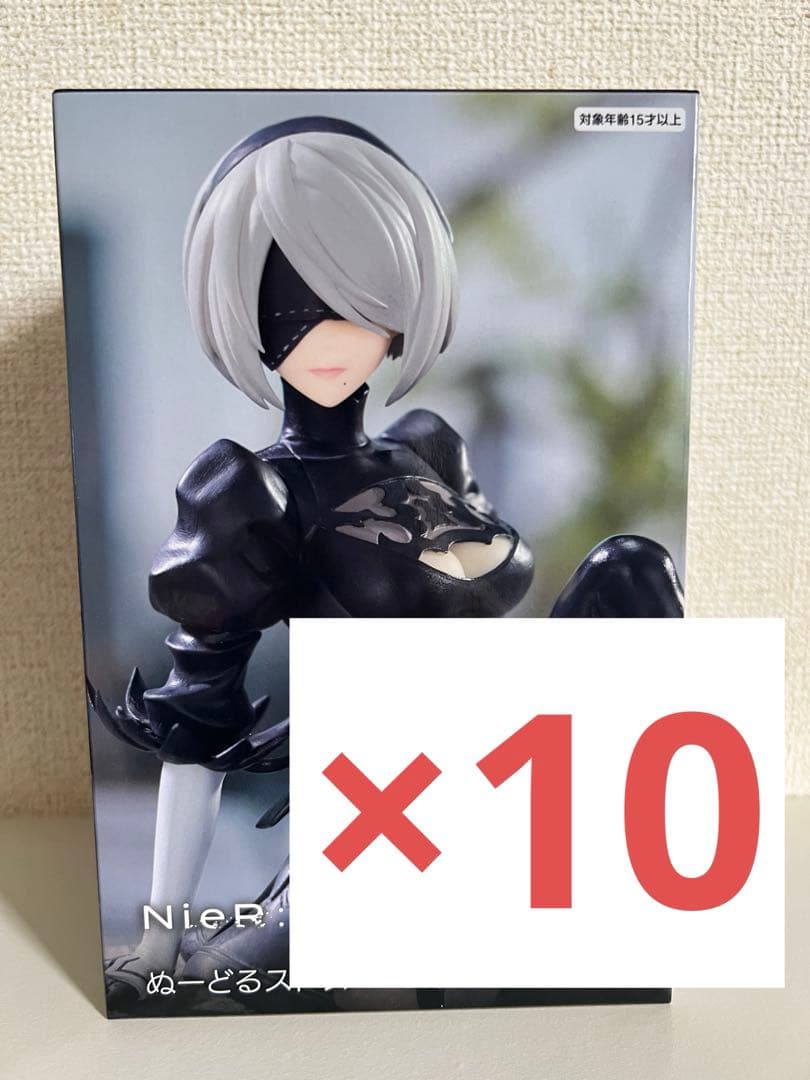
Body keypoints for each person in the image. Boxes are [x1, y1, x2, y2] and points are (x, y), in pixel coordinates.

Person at [93, 117, 682, 1011]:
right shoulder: (253, 494)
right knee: (256, 995)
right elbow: (196, 732)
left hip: (515, 789)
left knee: (632, 570)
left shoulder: (427, 451)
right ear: (247, 317)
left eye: (361, 308)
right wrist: (158, 940)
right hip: (381, 830)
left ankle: (621, 898)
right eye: (296, 315)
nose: (331, 340)